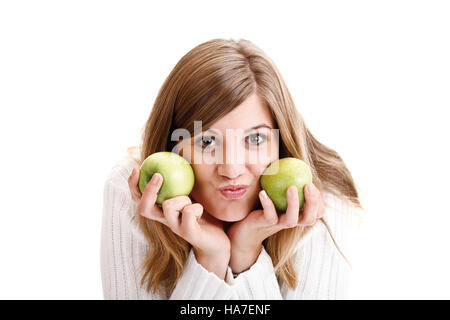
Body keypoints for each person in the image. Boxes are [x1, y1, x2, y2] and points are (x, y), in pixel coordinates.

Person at [100, 38, 364, 300]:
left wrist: (245, 256)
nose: (232, 169)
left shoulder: (322, 199)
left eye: (256, 139)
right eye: (207, 141)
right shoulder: (135, 189)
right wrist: (211, 260)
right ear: (174, 147)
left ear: (281, 143)